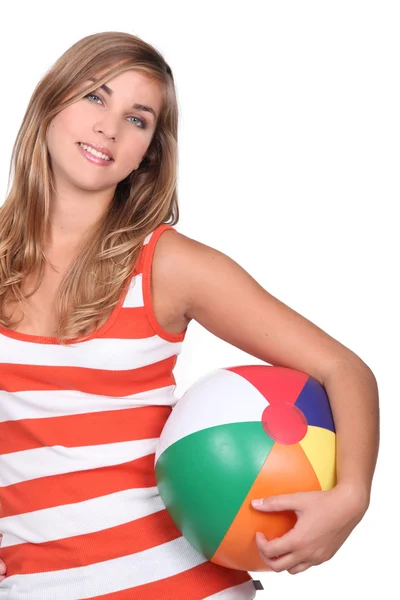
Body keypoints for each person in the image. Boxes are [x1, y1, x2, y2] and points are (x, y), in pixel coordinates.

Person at [0, 31, 379, 599]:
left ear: (148, 152)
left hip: (178, 585)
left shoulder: (167, 265)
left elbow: (344, 370)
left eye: (138, 118)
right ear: (51, 101)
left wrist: (350, 498)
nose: (109, 126)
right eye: (95, 97)